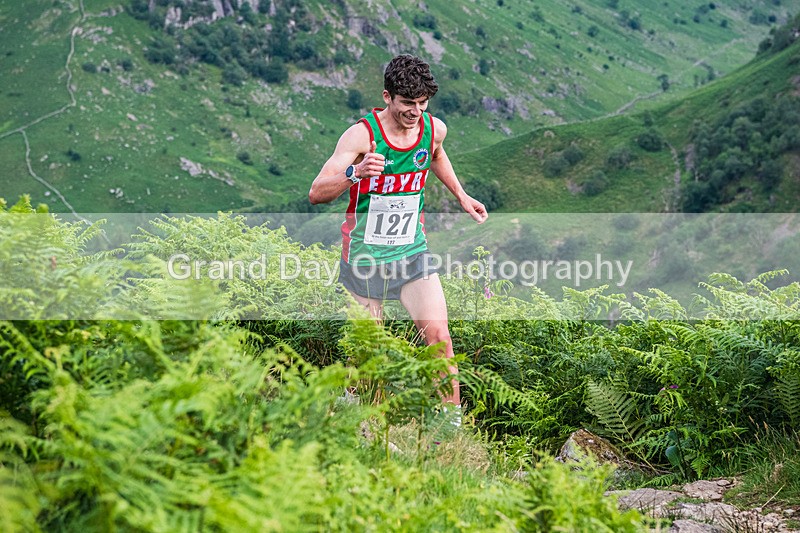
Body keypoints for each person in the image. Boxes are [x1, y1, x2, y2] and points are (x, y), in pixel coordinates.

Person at [308, 54, 488, 411]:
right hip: (364, 257)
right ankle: (354, 417)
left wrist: (461, 195)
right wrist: (355, 174)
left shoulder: (432, 128)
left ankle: (449, 430)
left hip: (411, 253)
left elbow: (436, 155)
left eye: (422, 104)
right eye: (408, 103)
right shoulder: (362, 136)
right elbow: (316, 192)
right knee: (367, 352)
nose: (415, 112)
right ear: (387, 96)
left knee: (439, 339)